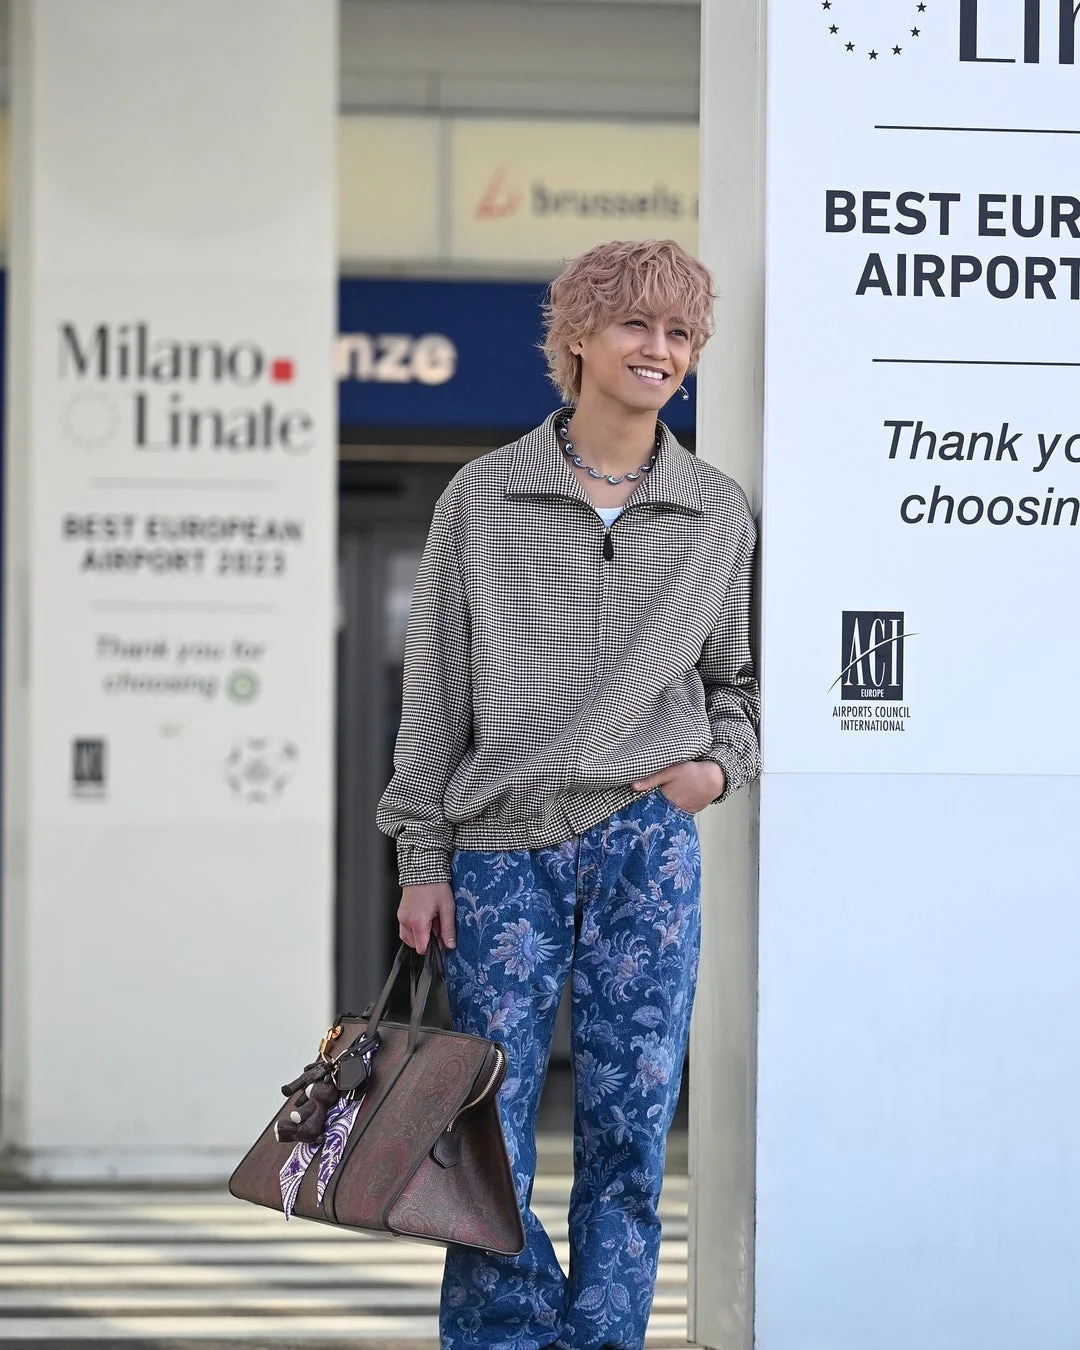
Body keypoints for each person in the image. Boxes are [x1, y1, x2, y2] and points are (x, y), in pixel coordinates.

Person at [375, 237, 760, 1350]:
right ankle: (508, 1332)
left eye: (681, 333)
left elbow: (737, 686)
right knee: (483, 1130)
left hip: (648, 842)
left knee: (632, 1133)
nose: (660, 351)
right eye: (638, 325)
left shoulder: (714, 514)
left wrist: (716, 771)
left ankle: (602, 1339)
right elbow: (436, 698)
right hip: (499, 852)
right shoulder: (482, 500)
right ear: (578, 338)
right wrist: (422, 859)